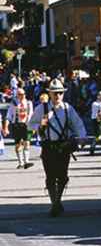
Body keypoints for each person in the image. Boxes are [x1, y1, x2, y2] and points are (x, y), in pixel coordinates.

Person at [28, 79, 87, 217]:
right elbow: (30, 125)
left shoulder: (67, 108)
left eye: (60, 93)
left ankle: (57, 200)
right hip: (48, 146)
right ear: (49, 93)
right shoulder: (41, 108)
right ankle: (54, 202)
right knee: (50, 176)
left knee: (62, 176)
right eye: (55, 93)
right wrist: (41, 125)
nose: (57, 96)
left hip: (63, 146)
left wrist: (82, 137)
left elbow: (77, 124)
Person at [3, 88, 34, 169]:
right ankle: (21, 162)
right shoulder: (13, 103)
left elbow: (31, 114)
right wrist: (6, 127)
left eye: (23, 94)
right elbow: (8, 116)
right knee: (18, 144)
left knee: (27, 143)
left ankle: (26, 162)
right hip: (16, 125)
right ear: (17, 95)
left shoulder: (29, 103)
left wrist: (32, 126)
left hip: (26, 125)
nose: (22, 96)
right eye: (20, 94)